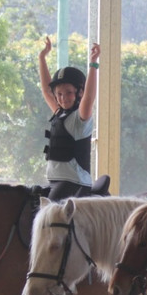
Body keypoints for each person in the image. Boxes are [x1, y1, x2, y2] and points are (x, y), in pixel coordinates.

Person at [38, 36, 100, 200]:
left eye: (69, 93)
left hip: (75, 184)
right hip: (55, 181)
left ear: (79, 92)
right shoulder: (58, 113)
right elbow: (46, 90)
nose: (63, 97)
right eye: (59, 94)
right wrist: (42, 58)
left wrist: (93, 65)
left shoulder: (80, 119)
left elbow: (89, 97)